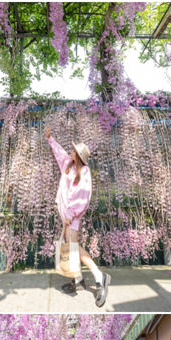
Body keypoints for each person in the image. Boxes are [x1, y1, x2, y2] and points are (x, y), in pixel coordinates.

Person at [45, 127, 111, 307]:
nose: (71, 151)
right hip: (66, 213)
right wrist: (50, 139)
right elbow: (59, 153)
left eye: (74, 150)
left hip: (71, 215)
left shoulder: (85, 173)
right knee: (71, 246)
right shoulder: (68, 165)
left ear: (80, 156)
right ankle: (79, 280)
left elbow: (83, 196)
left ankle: (99, 276)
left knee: (73, 247)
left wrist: (70, 214)